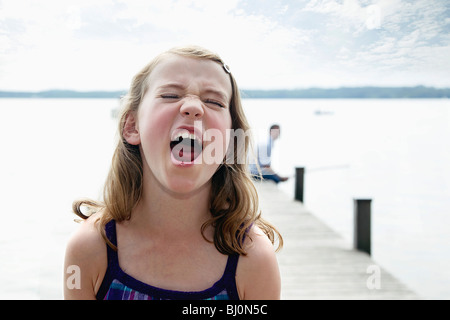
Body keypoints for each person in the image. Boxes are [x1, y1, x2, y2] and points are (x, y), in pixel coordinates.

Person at [64, 46, 283, 300]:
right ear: (132, 126)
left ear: (230, 142)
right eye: (169, 95)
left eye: (213, 101)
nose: (193, 107)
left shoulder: (253, 259)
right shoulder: (88, 250)